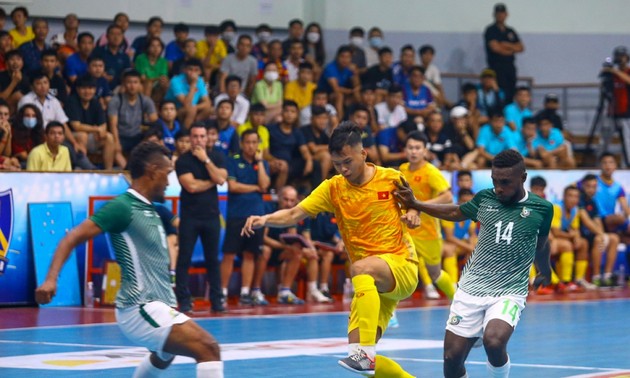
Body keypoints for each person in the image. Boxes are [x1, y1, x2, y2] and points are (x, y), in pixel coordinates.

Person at [242, 122, 420, 377]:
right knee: (359, 357)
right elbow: (294, 213)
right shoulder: (333, 188)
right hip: (370, 283)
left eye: (347, 161)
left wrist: (413, 214)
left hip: (401, 266)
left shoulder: (391, 178)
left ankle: (366, 356)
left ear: (363, 154)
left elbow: (414, 205)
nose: (343, 169)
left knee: (359, 270)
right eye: (337, 164)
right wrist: (265, 219)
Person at [35, 142, 224, 377]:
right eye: (167, 174)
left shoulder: (151, 209)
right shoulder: (123, 207)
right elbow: (71, 237)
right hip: (140, 306)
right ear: (153, 170)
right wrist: (51, 279)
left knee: (164, 356)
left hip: (158, 305)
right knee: (209, 349)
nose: (168, 182)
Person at [393, 149, 554, 378]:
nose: (499, 188)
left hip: (509, 290)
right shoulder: (485, 198)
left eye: (505, 182)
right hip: (472, 287)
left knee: (494, 342)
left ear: (523, 178)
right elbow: (456, 211)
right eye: (495, 181)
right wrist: (416, 204)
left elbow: (541, 244)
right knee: (452, 359)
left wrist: (545, 270)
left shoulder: (542, 209)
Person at [175, 123, 227, 313]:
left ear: (207, 138)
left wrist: (206, 161)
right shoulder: (183, 161)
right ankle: (184, 300)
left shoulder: (216, 157)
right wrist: (211, 179)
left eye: (202, 136)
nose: (198, 140)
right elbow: (192, 187)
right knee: (184, 258)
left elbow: (222, 179)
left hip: (212, 217)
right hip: (190, 217)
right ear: (190, 138)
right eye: (195, 136)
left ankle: (217, 300)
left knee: (213, 260)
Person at [399, 131, 456, 300]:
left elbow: (448, 197)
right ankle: (389, 312)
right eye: (410, 148)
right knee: (396, 267)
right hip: (406, 229)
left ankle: (457, 302)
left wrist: (419, 206)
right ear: (405, 150)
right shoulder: (402, 169)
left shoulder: (431, 172)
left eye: (417, 148)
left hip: (428, 233)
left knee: (435, 274)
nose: (413, 152)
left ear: (425, 151)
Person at [220, 129, 270, 305]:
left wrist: (259, 163)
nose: (251, 146)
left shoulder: (263, 164)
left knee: (250, 254)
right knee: (229, 253)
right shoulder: (232, 161)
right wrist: (254, 188)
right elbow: (233, 186)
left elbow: (264, 185)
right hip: (236, 215)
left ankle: (245, 292)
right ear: (242, 143)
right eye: (248, 142)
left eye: (254, 142)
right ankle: (223, 292)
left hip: (256, 215)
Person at [578, 173, 620, 287]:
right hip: (581, 236)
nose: (591, 189)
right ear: (583, 186)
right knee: (598, 239)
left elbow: (597, 221)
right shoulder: (579, 199)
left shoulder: (593, 201)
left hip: (593, 235)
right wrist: (601, 235)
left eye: (594, 186)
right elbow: (586, 221)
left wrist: (603, 235)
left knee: (614, 238)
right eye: (589, 186)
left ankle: (607, 276)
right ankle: (596, 277)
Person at [483, 3, 524, 103]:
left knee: (510, 94)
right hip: (497, 67)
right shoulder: (491, 30)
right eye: (498, 13)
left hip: (510, 68)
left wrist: (506, 44)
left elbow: (521, 47)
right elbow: (495, 48)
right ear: (494, 14)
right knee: (498, 95)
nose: (500, 15)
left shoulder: (510, 31)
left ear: (506, 14)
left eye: (502, 13)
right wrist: (511, 49)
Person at [441, 188, 478, 282]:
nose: (467, 205)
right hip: (445, 242)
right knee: (451, 249)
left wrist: (472, 245)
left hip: (459, 243)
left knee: (477, 244)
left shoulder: (472, 213)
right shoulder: (450, 213)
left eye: (470, 202)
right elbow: (449, 237)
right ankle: (453, 283)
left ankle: (471, 281)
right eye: (464, 202)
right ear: (458, 201)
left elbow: (472, 234)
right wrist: (469, 248)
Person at [164, 59, 212, 128]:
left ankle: (195, 125)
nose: (193, 73)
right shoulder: (175, 80)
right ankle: (185, 133)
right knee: (191, 110)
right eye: (190, 69)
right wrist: (193, 85)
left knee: (208, 108)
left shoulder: (200, 80)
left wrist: (195, 107)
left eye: (196, 70)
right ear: (185, 70)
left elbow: (207, 102)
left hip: (191, 108)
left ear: (200, 72)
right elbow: (186, 104)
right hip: (174, 109)